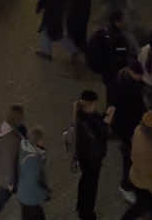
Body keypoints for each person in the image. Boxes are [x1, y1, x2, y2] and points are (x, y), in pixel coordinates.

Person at [106, 58, 146, 201]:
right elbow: (123, 109)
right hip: (127, 127)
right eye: (139, 75)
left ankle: (131, 180)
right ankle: (126, 186)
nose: (141, 78)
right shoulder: (123, 87)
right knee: (129, 157)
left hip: (130, 126)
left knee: (131, 154)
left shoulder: (126, 80)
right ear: (131, 72)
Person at [121, 110, 152, 219]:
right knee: (145, 205)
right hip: (144, 185)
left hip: (138, 177)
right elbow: (148, 176)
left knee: (151, 207)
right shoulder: (146, 151)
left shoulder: (139, 130)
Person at [70, 89, 107, 220]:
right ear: (90, 104)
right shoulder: (89, 121)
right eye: (94, 104)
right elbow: (102, 133)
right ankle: (87, 214)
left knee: (84, 181)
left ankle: (81, 207)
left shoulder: (80, 114)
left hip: (84, 157)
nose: (96, 106)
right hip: (92, 160)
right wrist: (108, 120)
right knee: (91, 188)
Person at [0, 103, 27, 219]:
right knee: (0, 201)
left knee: (0, 201)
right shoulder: (12, 139)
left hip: (8, 174)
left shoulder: (8, 130)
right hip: (11, 177)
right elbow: (10, 160)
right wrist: (10, 182)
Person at [15, 127, 50, 218]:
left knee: (27, 214)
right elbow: (34, 182)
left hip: (22, 192)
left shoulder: (24, 148)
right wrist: (44, 193)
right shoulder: (33, 161)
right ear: (38, 141)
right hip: (29, 197)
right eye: (42, 139)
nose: (44, 141)